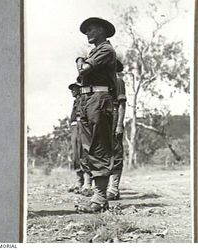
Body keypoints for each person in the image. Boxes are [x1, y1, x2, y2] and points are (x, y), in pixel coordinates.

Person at [74, 17, 117, 213]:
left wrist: (79, 59)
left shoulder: (106, 49)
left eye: (91, 30)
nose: (88, 34)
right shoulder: (96, 51)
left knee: (99, 145)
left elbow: (83, 70)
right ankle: (97, 194)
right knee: (87, 146)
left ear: (101, 30)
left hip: (99, 99)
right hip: (86, 99)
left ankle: (100, 196)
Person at [67, 82, 92, 194]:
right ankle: (79, 181)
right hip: (74, 129)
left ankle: (87, 183)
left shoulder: (84, 99)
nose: (72, 91)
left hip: (82, 127)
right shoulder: (75, 101)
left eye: (74, 88)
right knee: (76, 154)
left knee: (84, 153)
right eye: (71, 89)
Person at [107, 60, 126, 200]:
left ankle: (114, 188)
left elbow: (121, 104)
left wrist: (119, 124)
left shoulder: (118, 81)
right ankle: (105, 187)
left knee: (116, 152)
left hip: (114, 116)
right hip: (103, 117)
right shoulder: (103, 82)